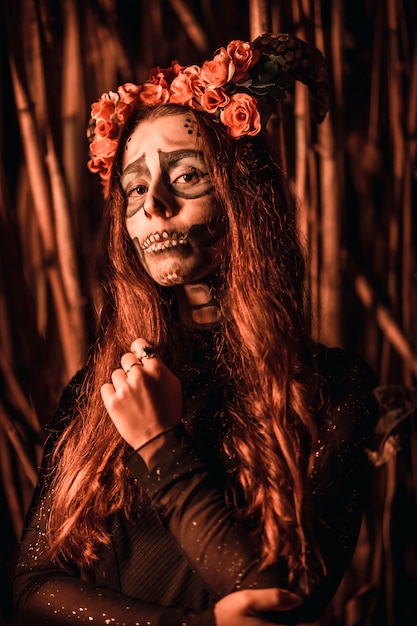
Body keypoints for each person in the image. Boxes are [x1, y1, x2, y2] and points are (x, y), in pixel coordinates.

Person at [13, 34, 376, 625]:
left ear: (242, 198)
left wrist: (159, 444)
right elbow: (32, 582)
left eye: (184, 178)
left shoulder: (332, 387)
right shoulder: (104, 389)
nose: (152, 205)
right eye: (134, 188)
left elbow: (278, 599)